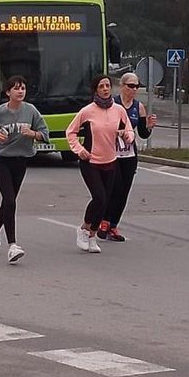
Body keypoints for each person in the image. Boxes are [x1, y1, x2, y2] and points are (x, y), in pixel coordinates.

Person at [0, 75, 49, 265]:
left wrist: (33, 134)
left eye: (23, 88)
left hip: (20, 161)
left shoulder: (31, 111)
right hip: (1, 160)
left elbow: (45, 134)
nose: (20, 91)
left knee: (9, 201)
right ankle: (13, 245)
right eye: (16, 88)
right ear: (8, 92)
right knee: (10, 199)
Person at [66, 75, 135, 254]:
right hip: (90, 161)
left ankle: (92, 236)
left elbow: (128, 128)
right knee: (100, 197)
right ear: (95, 89)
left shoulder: (119, 110)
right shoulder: (87, 111)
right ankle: (83, 229)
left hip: (110, 161)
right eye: (101, 86)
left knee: (104, 202)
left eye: (107, 86)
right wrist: (79, 149)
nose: (105, 89)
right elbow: (70, 132)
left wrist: (128, 136)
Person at [100, 72, 157, 242]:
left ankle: (114, 225)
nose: (134, 89)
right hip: (111, 153)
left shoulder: (138, 107)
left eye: (137, 86)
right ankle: (104, 221)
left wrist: (149, 126)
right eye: (131, 86)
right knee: (113, 189)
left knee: (124, 192)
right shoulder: (112, 103)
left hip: (129, 155)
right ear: (122, 86)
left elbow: (143, 134)